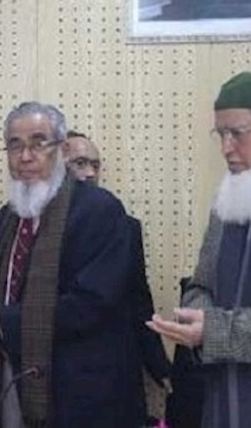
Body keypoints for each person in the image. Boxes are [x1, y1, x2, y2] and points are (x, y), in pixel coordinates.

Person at [0, 102, 134, 427]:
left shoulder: (100, 211)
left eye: (39, 143)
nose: (25, 157)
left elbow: (90, 306)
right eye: (15, 145)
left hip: (77, 389)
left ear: (62, 149)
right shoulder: (7, 217)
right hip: (10, 379)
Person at [148, 71, 251, 427]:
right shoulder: (230, 200)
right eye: (220, 134)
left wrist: (213, 330)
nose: (226, 147)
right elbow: (199, 286)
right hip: (221, 399)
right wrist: (196, 316)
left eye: (236, 133)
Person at [63, 131, 171, 425]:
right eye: (80, 163)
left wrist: (161, 369)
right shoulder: (23, 223)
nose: (89, 173)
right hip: (52, 380)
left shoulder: (124, 226)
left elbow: (138, 301)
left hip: (110, 380)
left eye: (96, 165)